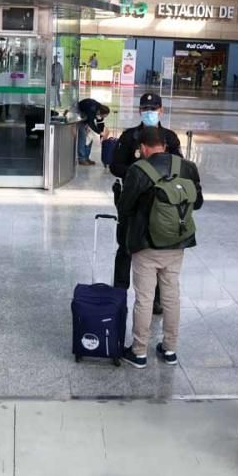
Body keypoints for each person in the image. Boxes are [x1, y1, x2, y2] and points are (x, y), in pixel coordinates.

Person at [116, 126, 203, 368]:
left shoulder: (138, 170)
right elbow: (198, 204)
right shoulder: (187, 167)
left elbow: (125, 208)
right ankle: (170, 349)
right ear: (164, 146)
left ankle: (139, 351)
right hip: (177, 242)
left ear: (142, 148)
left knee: (144, 298)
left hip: (146, 245)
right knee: (171, 296)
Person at [111, 93, 182, 313]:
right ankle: (118, 293)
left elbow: (179, 168)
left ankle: (157, 298)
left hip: (161, 206)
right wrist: (138, 174)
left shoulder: (169, 138)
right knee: (125, 247)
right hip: (132, 203)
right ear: (139, 111)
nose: (149, 112)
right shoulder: (129, 136)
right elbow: (115, 166)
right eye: (145, 108)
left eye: (153, 108)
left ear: (161, 110)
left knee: (158, 249)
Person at [76, 97, 109, 166]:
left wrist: (101, 137)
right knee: (83, 137)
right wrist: (99, 132)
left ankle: (86, 158)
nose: (103, 117)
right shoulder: (92, 109)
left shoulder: (100, 110)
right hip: (80, 114)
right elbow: (91, 123)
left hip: (87, 117)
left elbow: (100, 124)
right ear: (100, 112)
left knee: (90, 138)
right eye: (103, 116)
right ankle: (81, 159)